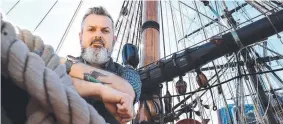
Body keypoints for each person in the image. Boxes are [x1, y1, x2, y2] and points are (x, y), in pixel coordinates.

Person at [60, 6, 141, 124]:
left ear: (114, 40)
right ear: (80, 37)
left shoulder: (127, 73)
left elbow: (126, 90)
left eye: (105, 31)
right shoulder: (60, 68)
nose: (98, 35)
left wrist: (70, 66)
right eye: (91, 29)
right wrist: (101, 90)